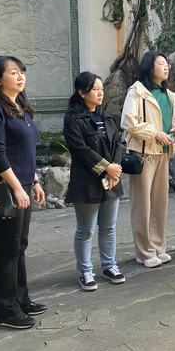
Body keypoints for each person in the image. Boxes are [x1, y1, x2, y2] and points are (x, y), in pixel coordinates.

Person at [0, 56, 46, 329]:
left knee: (20, 245)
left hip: (24, 185)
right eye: (14, 72)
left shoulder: (20, 108)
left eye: (22, 72)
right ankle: (6, 310)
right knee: (8, 247)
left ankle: (21, 299)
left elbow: (25, 152)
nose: (20, 77)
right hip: (7, 188)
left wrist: (35, 181)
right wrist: (17, 187)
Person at [63, 72, 125, 291]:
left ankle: (109, 265)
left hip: (111, 181)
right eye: (95, 89)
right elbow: (79, 149)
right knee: (86, 229)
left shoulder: (107, 117)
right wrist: (106, 168)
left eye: (101, 89)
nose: (100, 93)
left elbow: (117, 144)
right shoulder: (73, 118)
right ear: (81, 92)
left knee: (108, 227)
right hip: (86, 181)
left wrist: (114, 170)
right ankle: (85, 271)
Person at [121, 52, 175, 267]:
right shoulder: (137, 91)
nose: (166, 67)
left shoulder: (169, 95)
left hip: (164, 153)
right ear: (150, 67)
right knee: (142, 205)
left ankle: (158, 247)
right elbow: (128, 121)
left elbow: (174, 120)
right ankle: (144, 252)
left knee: (159, 204)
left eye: (167, 64)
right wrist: (154, 133)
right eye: (161, 64)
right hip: (143, 153)